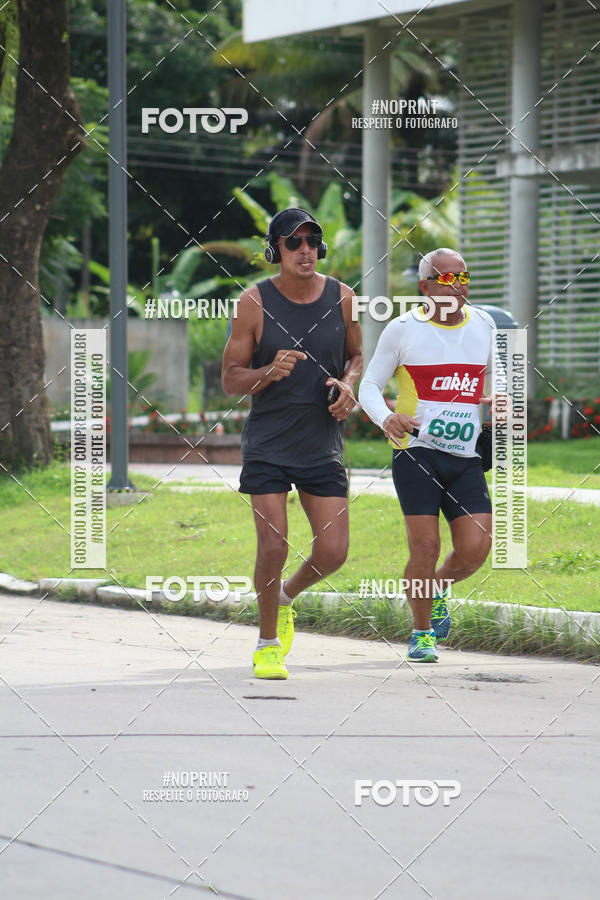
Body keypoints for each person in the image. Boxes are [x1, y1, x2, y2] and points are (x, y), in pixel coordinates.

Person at [222, 207, 363, 679]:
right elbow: (230, 378)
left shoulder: (344, 297)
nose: (305, 250)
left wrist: (348, 385)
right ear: (275, 250)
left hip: (321, 442)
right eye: (293, 242)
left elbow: (357, 355)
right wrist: (267, 372)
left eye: (311, 241)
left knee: (333, 552)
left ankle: (284, 596)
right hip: (268, 443)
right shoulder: (253, 303)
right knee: (273, 541)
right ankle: (266, 644)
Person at [359, 248, 495, 663]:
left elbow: (496, 377)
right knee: (425, 546)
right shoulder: (402, 329)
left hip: (466, 455)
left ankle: (434, 590)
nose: (458, 285)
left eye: (463, 276)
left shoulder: (485, 324)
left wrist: (500, 398)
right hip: (416, 452)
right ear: (426, 287)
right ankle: (421, 634)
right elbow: (368, 386)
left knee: (476, 549)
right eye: (447, 278)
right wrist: (386, 418)